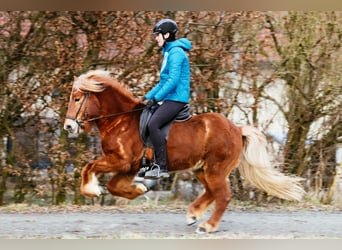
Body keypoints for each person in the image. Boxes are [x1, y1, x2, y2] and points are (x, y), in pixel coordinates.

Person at [142, 18, 192, 179]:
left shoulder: (176, 53)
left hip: (177, 98)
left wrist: (156, 99)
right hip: (169, 97)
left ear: (167, 35)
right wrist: (147, 98)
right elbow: (163, 82)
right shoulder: (168, 52)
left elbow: (173, 80)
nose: (156, 38)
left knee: (153, 124)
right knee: (144, 116)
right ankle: (146, 163)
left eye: (158, 35)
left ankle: (161, 168)